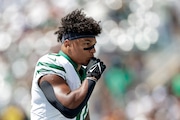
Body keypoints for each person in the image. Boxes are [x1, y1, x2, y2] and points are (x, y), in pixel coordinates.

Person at [30, 9, 106, 120]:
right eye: (87, 44)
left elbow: (82, 114)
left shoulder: (82, 73)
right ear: (68, 44)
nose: (93, 50)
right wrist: (91, 77)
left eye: (94, 45)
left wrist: (88, 78)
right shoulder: (50, 62)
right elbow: (68, 108)